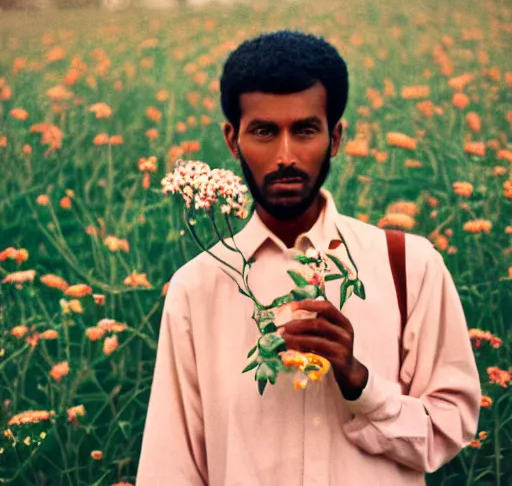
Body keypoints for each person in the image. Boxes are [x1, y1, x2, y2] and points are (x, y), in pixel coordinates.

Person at [136, 30, 481, 485]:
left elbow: (450, 427)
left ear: (334, 138)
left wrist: (361, 383)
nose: (285, 156)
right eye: (263, 131)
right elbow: (170, 468)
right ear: (232, 140)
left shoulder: (408, 265)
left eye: (304, 131)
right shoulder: (198, 286)